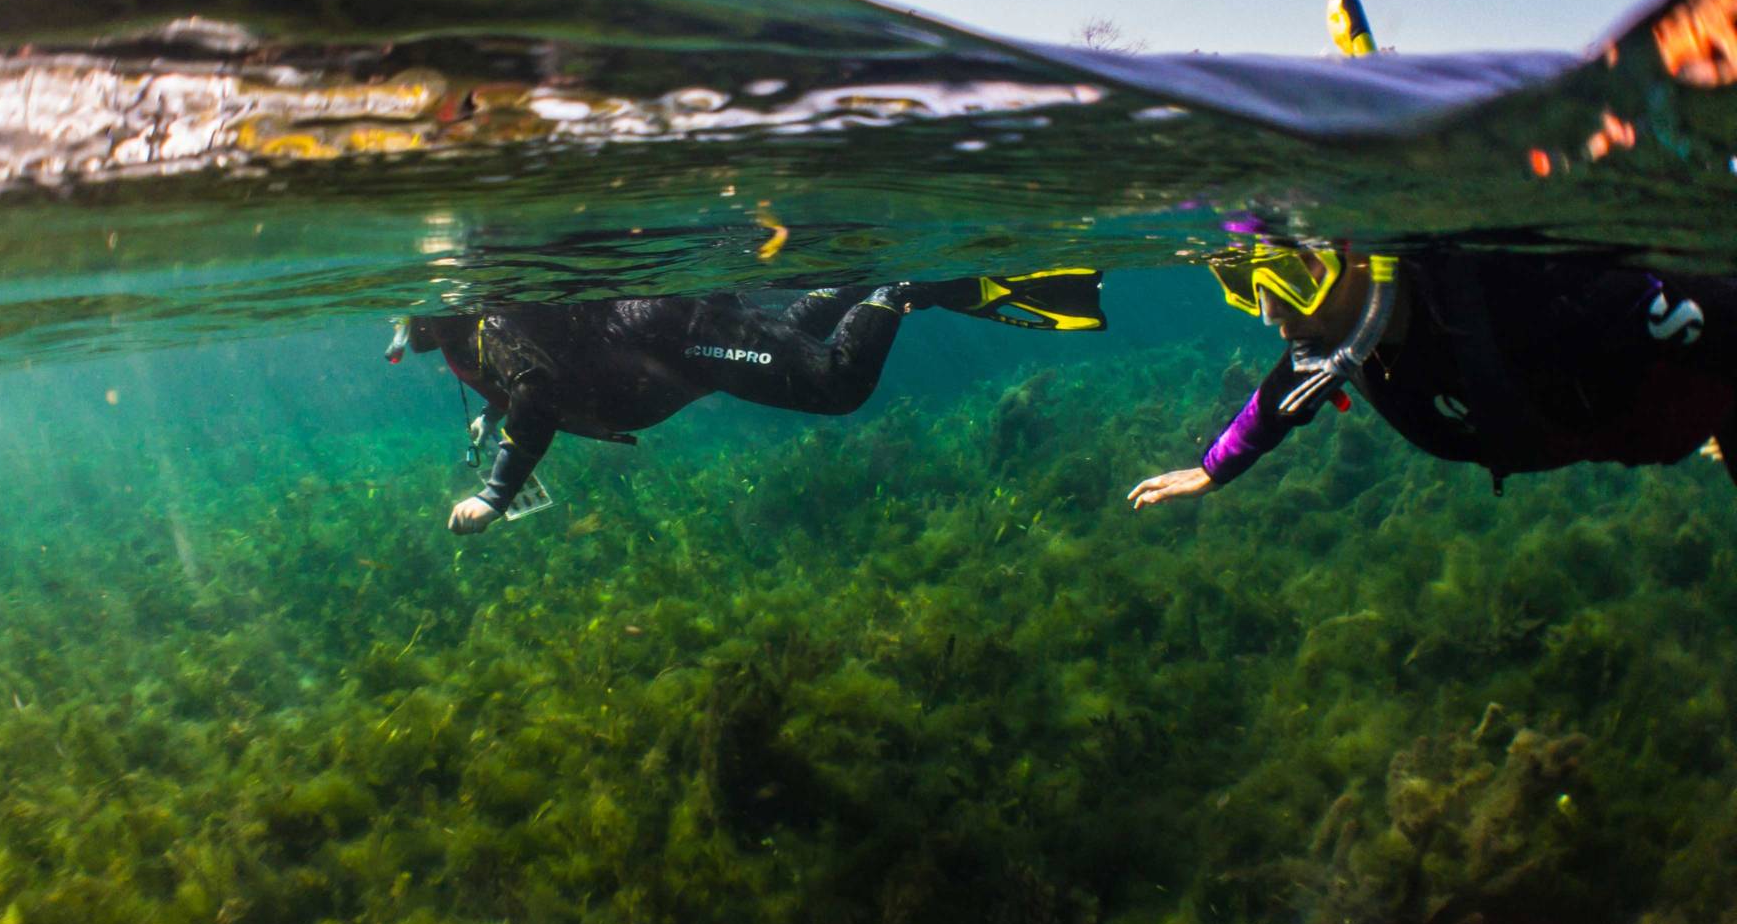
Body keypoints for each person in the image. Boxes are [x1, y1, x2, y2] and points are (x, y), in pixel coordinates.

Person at [392, 273, 1103, 534]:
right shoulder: (480, 333)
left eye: (403, 322)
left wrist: (494, 495)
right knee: (786, 339)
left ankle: (902, 290)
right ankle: (860, 284)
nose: (400, 337)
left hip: (680, 337)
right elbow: (535, 375)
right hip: (678, 353)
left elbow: (539, 389)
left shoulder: (490, 322)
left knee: (836, 384)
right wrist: (493, 410)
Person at [1128, 245, 1737, 507]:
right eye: (1244, 284)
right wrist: (1215, 467)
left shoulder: (1523, 286)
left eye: (1294, 274)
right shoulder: (1339, 346)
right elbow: (1278, 401)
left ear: (1366, 249)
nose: (1271, 310)